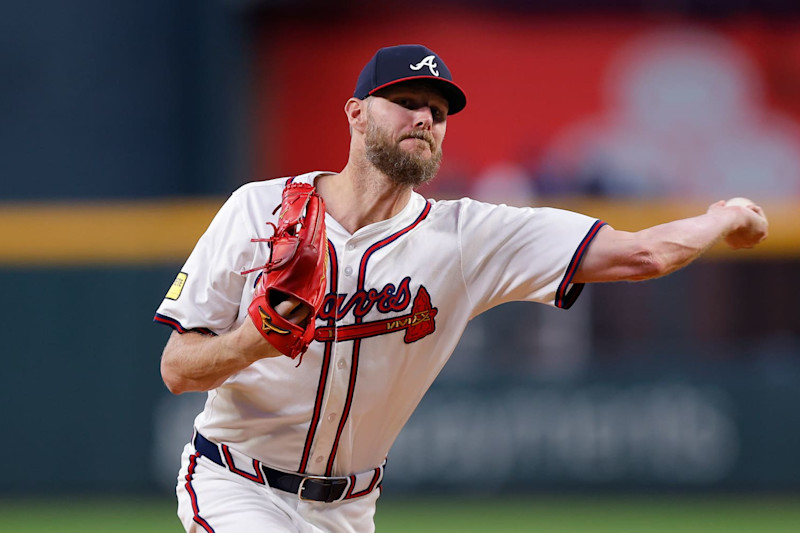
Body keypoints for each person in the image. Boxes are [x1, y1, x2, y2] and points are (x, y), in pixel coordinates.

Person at [154, 44, 768, 533]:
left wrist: (724, 216)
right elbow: (179, 369)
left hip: (349, 511)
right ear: (356, 112)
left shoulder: (467, 237)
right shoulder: (257, 210)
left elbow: (642, 255)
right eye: (406, 101)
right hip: (234, 483)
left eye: (438, 111)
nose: (424, 117)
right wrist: (250, 344)